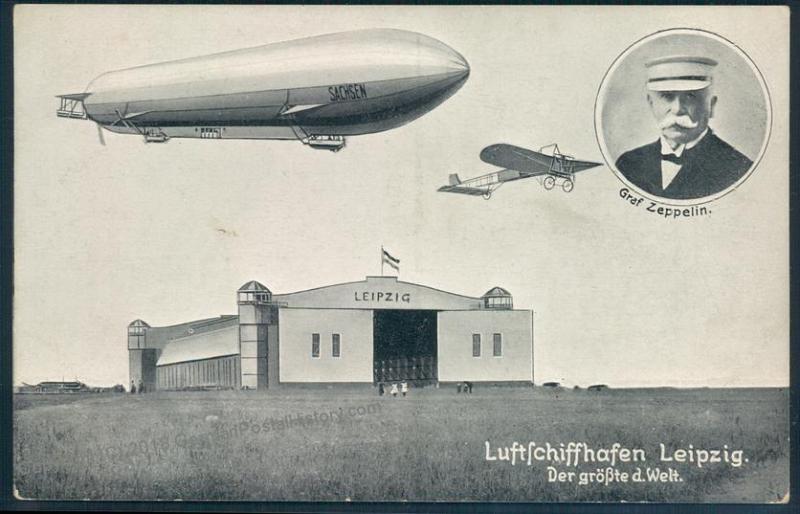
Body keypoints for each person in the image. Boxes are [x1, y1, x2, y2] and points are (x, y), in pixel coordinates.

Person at [615, 55, 753, 200]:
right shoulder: (628, 163)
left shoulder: (737, 168)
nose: (677, 109)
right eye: (667, 96)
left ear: (711, 106)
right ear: (651, 104)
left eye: (690, 96)